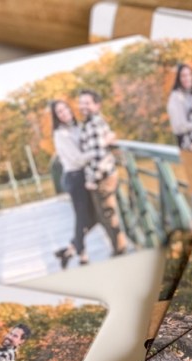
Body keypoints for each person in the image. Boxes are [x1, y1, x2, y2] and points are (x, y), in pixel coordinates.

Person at [77, 89, 128, 257]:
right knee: (105, 213)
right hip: (100, 175)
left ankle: (120, 249)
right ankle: (118, 246)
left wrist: (92, 178)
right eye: (81, 102)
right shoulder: (91, 122)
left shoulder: (95, 123)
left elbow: (99, 154)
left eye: (87, 103)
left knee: (107, 213)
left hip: (102, 176)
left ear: (97, 105)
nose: (83, 106)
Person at [51, 100, 97, 269]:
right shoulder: (60, 134)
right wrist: (100, 150)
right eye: (59, 112)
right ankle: (83, 256)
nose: (63, 113)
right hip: (75, 178)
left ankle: (69, 250)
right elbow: (77, 159)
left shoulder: (77, 127)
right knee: (82, 218)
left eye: (65, 109)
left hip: (85, 175)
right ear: (56, 117)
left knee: (94, 217)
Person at [166, 64, 192, 148]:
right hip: (185, 144)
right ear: (179, 79)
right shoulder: (175, 97)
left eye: (189, 74)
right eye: (183, 76)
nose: (187, 78)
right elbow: (179, 127)